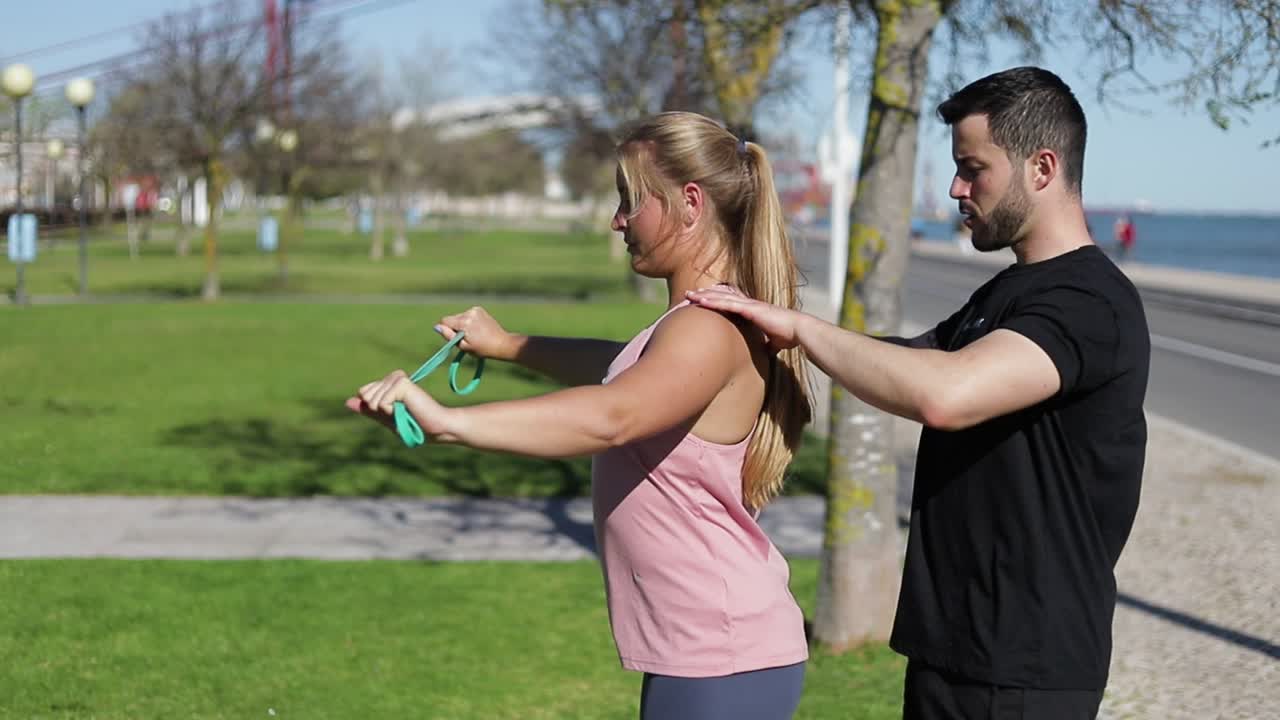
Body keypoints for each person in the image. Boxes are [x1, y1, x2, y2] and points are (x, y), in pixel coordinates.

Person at [687, 67, 1150, 720]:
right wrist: (772, 329)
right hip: (953, 650)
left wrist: (803, 328)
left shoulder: (1088, 302)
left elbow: (947, 394)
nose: (957, 188)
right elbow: (904, 362)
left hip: (1023, 670)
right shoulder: (1005, 294)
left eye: (973, 168)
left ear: (1042, 168)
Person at [348, 111, 813, 720]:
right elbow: (620, 369)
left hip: (722, 654)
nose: (618, 219)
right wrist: (508, 344)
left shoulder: (707, 328)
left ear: (690, 203)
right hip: (708, 652)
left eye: (630, 200)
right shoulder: (691, 325)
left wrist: (450, 424)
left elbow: (614, 413)